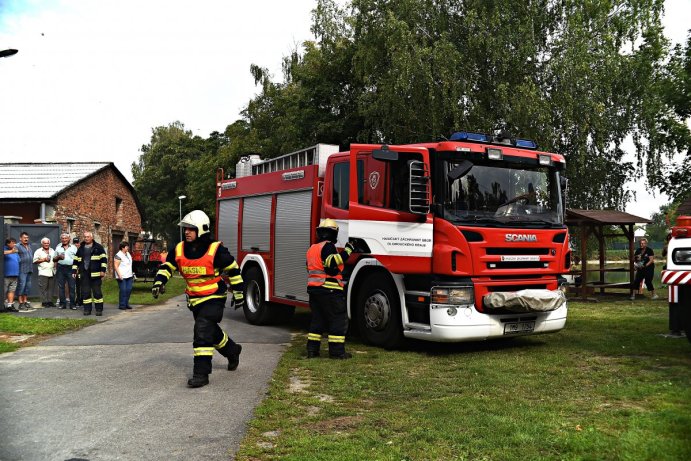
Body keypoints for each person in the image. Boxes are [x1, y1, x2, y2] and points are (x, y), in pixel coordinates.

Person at [152, 210, 245, 388]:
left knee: (201, 331)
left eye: (191, 229)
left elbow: (233, 269)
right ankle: (233, 351)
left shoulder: (215, 249)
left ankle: (201, 374)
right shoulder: (179, 249)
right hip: (195, 300)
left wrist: (239, 292)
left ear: (202, 229)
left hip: (214, 297)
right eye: (185, 229)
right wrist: (159, 282)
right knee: (210, 331)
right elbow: (168, 266)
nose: (187, 232)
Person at [305, 218, 354, 359]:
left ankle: (312, 351)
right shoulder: (328, 246)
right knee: (337, 319)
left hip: (314, 290)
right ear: (333, 234)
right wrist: (348, 250)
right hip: (330, 290)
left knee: (317, 320)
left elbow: (310, 268)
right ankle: (337, 352)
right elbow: (331, 264)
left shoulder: (311, 249)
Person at [72, 231, 107, 316]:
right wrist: (74, 271)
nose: (86, 238)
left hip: (96, 274)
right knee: (85, 293)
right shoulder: (81, 248)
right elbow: (76, 260)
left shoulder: (98, 247)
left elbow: (104, 260)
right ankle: (87, 309)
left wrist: (103, 270)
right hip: (84, 274)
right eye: (85, 237)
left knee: (97, 293)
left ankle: (99, 310)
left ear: (92, 238)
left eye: (88, 237)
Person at [54, 233, 78, 310]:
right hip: (61, 268)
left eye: (66, 238)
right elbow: (54, 259)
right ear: (61, 239)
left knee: (72, 286)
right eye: (63, 238)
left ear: (69, 239)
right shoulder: (58, 247)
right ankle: (62, 304)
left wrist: (76, 269)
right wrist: (58, 257)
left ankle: (72, 304)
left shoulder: (74, 247)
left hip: (71, 268)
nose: (64, 240)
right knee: (61, 287)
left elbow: (77, 259)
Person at [33, 237, 56, 307]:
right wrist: (44, 259)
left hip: (52, 271)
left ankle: (49, 301)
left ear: (49, 243)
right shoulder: (38, 251)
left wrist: (55, 265)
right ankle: (44, 302)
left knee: (50, 288)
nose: (46, 244)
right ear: (42, 243)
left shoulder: (52, 250)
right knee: (43, 288)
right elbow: (35, 261)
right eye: (45, 243)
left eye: (47, 243)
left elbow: (55, 259)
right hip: (43, 272)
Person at [15, 232, 35, 312]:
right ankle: (20, 303)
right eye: (24, 237)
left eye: (27, 237)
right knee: (21, 285)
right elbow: (14, 256)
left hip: (29, 269)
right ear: (20, 238)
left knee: (27, 286)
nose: (26, 239)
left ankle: (25, 301)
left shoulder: (29, 245)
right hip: (22, 269)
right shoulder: (17, 246)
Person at [114, 241, 134, 310]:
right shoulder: (118, 255)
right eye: (126, 246)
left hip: (129, 275)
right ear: (123, 248)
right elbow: (116, 266)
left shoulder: (127, 253)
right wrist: (119, 275)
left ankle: (126, 303)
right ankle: (122, 305)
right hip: (122, 276)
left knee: (129, 289)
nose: (128, 247)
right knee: (123, 290)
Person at [3, 238, 20, 312]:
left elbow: (19, 260)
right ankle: (2, 305)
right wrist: (11, 251)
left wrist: (13, 251)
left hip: (14, 275)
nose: (14, 244)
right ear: (7, 243)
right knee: (3, 291)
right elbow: (3, 252)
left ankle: (10, 305)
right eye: (13, 243)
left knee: (12, 291)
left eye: (15, 243)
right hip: (6, 275)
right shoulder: (4, 249)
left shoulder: (15, 251)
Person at [72, 237, 83, 307]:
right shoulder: (72, 250)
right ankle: (77, 299)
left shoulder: (82, 250)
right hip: (73, 270)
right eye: (75, 243)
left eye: (77, 243)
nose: (76, 244)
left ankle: (81, 300)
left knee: (81, 286)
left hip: (81, 271)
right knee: (76, 286)